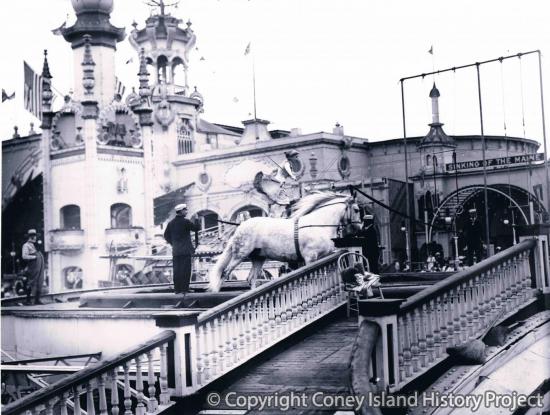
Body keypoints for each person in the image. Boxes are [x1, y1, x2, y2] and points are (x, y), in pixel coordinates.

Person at [164, 204, 200, 294]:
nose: (186, 211)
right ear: (181, 211)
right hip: (185, 251)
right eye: (185, 210)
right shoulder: (186, 222)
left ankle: (177, 290)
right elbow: (196, 228)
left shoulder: (171, 223)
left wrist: (173, 244)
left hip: (176, 251)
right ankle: (184, 289)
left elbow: (166, 236)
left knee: (177, 270)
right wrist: (196, 219)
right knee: (186, 270)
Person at [21, 229, 45, 305]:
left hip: (40, 266)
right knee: (31, 282)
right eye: (33, 236)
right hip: (33, 266)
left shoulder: (35, 245)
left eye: (35, 236)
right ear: (29, 237)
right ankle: (28, 300)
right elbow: (24, 256)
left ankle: (37, 300)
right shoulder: (26, 245)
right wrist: (34, 257)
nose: (35, 237)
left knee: (40, 282)